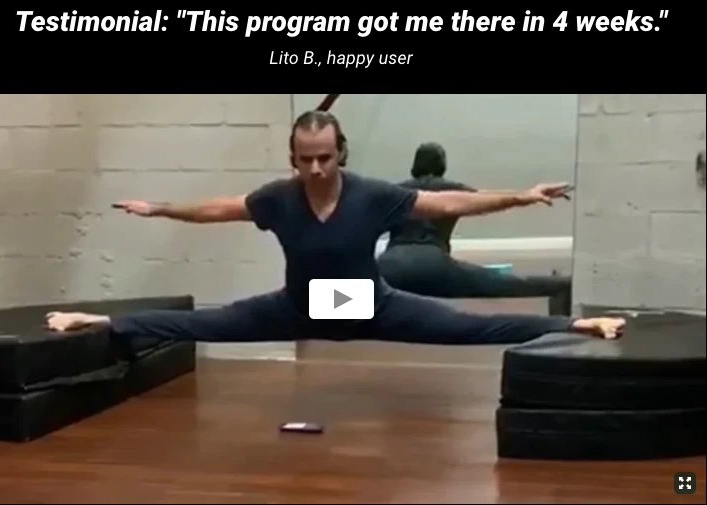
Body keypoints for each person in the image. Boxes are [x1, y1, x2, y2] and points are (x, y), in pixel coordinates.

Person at [46, 111, 625, 343]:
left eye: (325, 157)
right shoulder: (278, 199)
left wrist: (520, 197)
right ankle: (100, 321)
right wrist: (161, 209)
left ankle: (579, 323)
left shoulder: (373, 195)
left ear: (339, 152)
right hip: (300, 306)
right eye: (306, 159)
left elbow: (447, 203)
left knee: (472, 327)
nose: (317, 168)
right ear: (294, 158)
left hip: (367, 304)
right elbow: (220, 208)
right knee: (200, 323)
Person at [377, 142, 573, 314]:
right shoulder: (453, 189)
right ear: (442, 165)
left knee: (355, 301)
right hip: (435, 266)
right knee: (529, 285)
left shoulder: (394, 191)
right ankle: (563, 319)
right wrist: (528, 195)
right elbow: (490, 200)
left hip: (390, 267)